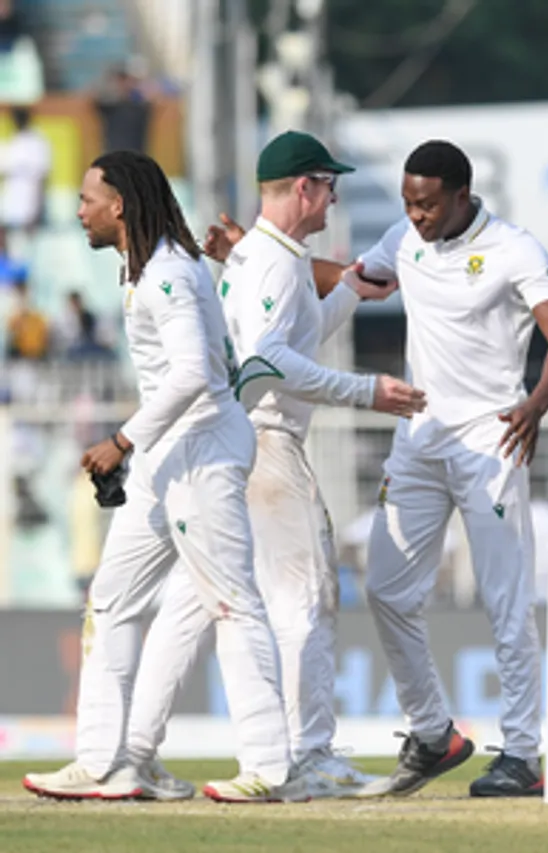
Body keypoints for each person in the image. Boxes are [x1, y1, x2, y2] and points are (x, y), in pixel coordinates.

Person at [119, 131, 424, 800]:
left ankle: (132, 751)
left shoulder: (266, 255)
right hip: (265, 441)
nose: (336, 196)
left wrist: (346, 291)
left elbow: (292, 334)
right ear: (305, 188)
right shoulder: (273, 262)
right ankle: (306, 753)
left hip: (227, 440)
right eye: (329, 184)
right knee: (306, 599)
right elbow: (269, 359)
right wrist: (367, 390)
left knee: (192, 608)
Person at [22, 150, 292, 802]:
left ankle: (271, 768)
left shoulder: (168, 271)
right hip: (165, 454)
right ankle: (104, 760)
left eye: (88, 199)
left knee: (232, 604)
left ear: (119, 205)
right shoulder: (145, 267)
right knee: (111, 599)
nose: (78, 210)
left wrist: (121, 438)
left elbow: (194, 372)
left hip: (199, 450)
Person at [356, 140, 548, 798]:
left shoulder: (514, 248)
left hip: (491, 438)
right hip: (418, 438)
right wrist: (255, 257)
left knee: (505, 598)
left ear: (461, 195)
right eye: (407, 203)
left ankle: (522, 751)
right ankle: (433, 734)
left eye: (426, 204)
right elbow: (352, 279)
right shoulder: (404, 236)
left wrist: (536, 404)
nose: (415, 216)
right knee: (386, 590)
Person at [1, 107, 50, 239]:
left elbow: (42, 175)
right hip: (11, 194)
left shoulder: (37, 142)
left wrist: (40, 204)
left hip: (30, 194)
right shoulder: (13, 141)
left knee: (27, 239)